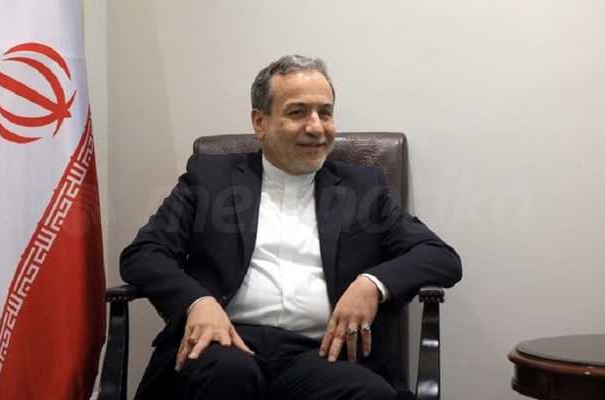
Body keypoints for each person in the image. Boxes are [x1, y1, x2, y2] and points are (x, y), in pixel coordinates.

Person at [121, 55, 462, 400]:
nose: (316, 127)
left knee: (368, 394)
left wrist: (372, 284)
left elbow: (440, 257)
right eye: (298, 112)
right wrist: (196, 302)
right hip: (225, 343)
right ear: (260, 122)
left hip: (321, 355)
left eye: (325, 113)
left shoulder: (363, 189)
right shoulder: (210, 178)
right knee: (226, 374)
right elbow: (144, 253)